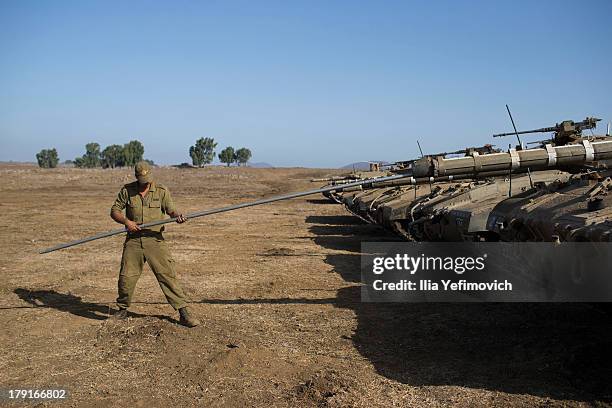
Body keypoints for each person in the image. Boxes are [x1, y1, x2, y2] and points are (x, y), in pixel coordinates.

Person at [109, 161, 200, 327]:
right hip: (134, 241)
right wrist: (127, 221)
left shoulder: (161, 191)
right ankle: (122, 310)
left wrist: (178, 216)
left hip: (155, 240)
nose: (146, 184)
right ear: (137, 178)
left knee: (167, 275)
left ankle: (183, 312)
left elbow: (171, 210)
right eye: (143, 180)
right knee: (126, 277)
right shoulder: (127, 191)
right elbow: (114, 211)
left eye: (148, 179)